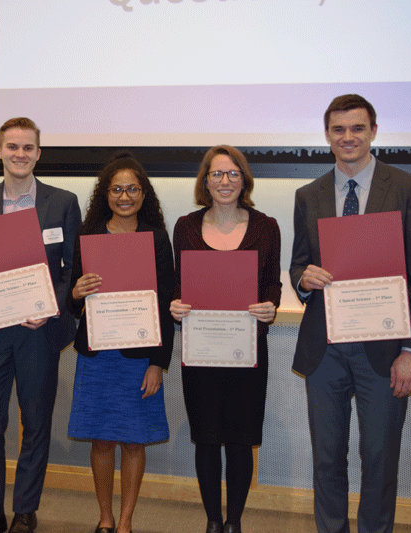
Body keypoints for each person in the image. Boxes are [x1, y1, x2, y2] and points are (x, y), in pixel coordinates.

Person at [290, 94, 411, 533]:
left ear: (373, 131)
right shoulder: (308, 194)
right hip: (325, 349)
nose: (348, 137)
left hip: (386, 349)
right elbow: (298, 263)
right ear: (327, 135)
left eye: (357, 128)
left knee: (379, 458)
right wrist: (303, 279)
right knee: (327, 458)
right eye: (338, 129)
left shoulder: (407, 187)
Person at [0, 117, 82, 533]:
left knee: (35, 422)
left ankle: (25, 509)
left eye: (27, 147)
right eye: (11, 147)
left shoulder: (62, 202)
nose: (19, 154)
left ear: (38, 153)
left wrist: (51, 308)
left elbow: (73, 267)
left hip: (39, 329)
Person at [170, 146, 281, 533]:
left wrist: (270, 306)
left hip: (246, 352)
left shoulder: (266, 227)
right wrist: (176, 306)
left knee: (239, 440)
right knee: (206, 439)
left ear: (244, 180)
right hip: (200, 353)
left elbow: (271, 283)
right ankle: (213, 521)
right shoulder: (185, 226)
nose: (225, 181)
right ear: (205, 182)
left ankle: (234, 522)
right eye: (217, 174)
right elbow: (179, 285)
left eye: (233, 173)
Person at [67, 153, 174, 533]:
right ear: (105, 194)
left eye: (132, 188)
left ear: (143, 194)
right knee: (100, 440)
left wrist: (158, 363)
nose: (124, 196)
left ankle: (126, 520)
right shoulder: (89, 236)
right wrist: (76, 293)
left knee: (132, 441)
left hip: (138, 356)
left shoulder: (157, 239)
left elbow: (165, 301)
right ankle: (105, 518)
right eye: (116, 189)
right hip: (97, 354)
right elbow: (73, 301)